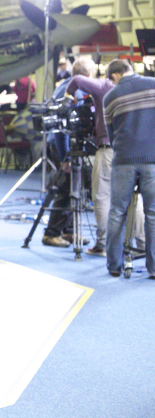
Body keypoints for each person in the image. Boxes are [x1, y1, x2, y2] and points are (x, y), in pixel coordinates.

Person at [103, 59, 155, 278]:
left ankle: (114, 265)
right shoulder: (153, 85)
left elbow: (111, 133)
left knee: (117, 212)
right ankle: (154, 268)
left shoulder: (110, 97)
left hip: (123, 160)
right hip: (152, 159)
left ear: (115, 76)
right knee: (153, 213)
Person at [63, 57, 115, 255]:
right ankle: (139, 244)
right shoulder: (134, 89)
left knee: (101, 197)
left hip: (107, 148)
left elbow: (77, 79)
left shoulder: (103, 87)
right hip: (129, 150)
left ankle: (102, 244)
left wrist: (69, 95)